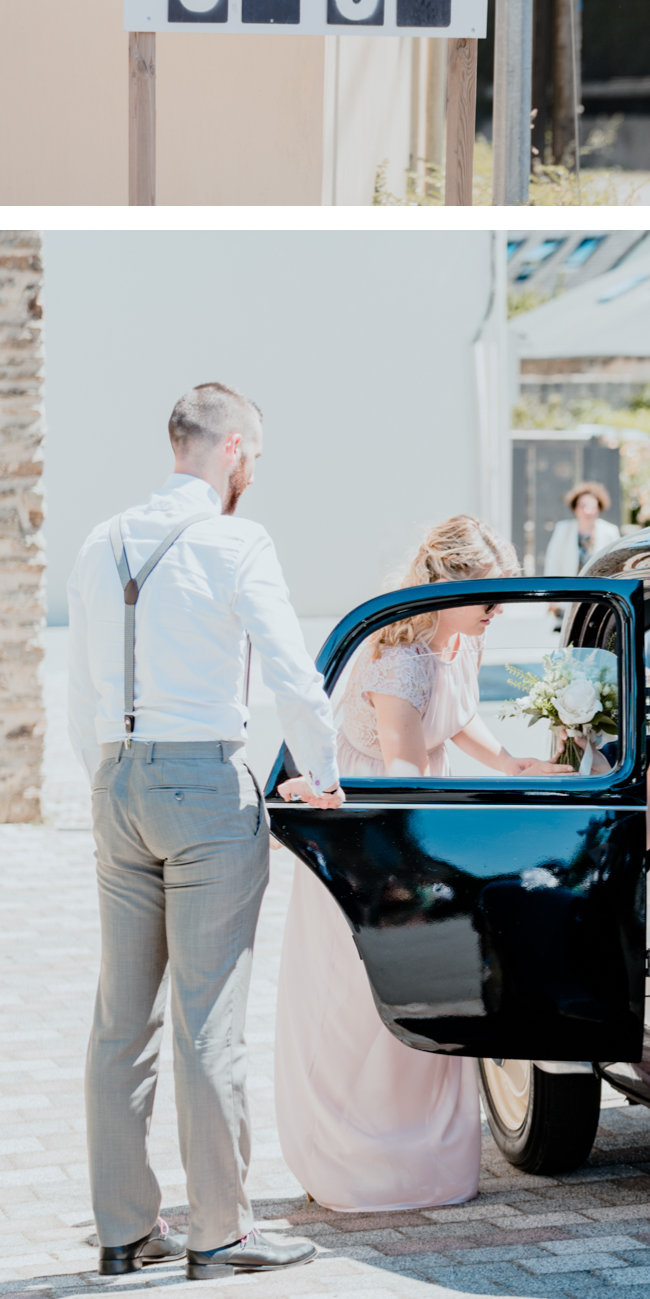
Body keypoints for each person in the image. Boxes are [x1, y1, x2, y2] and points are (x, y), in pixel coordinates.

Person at [67, 383, 339, 1282]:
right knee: (207, 1018)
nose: (253, 469)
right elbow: (296, 676)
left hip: (117, 780)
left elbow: (80, 694)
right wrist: (325, 769)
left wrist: (109, 779)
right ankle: (219, 1230)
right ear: (229, 450)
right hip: (204, 783)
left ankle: (121, 1230)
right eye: (253, 454)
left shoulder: (99, 541)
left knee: (120, 1020)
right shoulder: (236, 539)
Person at [274, 517, 570, 1212]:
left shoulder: (455, 644)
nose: (498, 608)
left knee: (431, 993)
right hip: (373, 847)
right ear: (445, 584)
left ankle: (424, 1162)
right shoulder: (400, 661)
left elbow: (460, 716)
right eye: (486, 596)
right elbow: (404, 772)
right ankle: (367, 1167)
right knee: (367, 1004)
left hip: (417, 835)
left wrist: (510, 762)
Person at [542, 479, 620, 575]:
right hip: (568, 588)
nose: (587, 511)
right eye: (583, 506)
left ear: (599, 508)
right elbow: (552, 562)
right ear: (575, 508)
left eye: (592, 506)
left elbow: (617, 564)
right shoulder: (562, 529)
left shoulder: (610, 532)